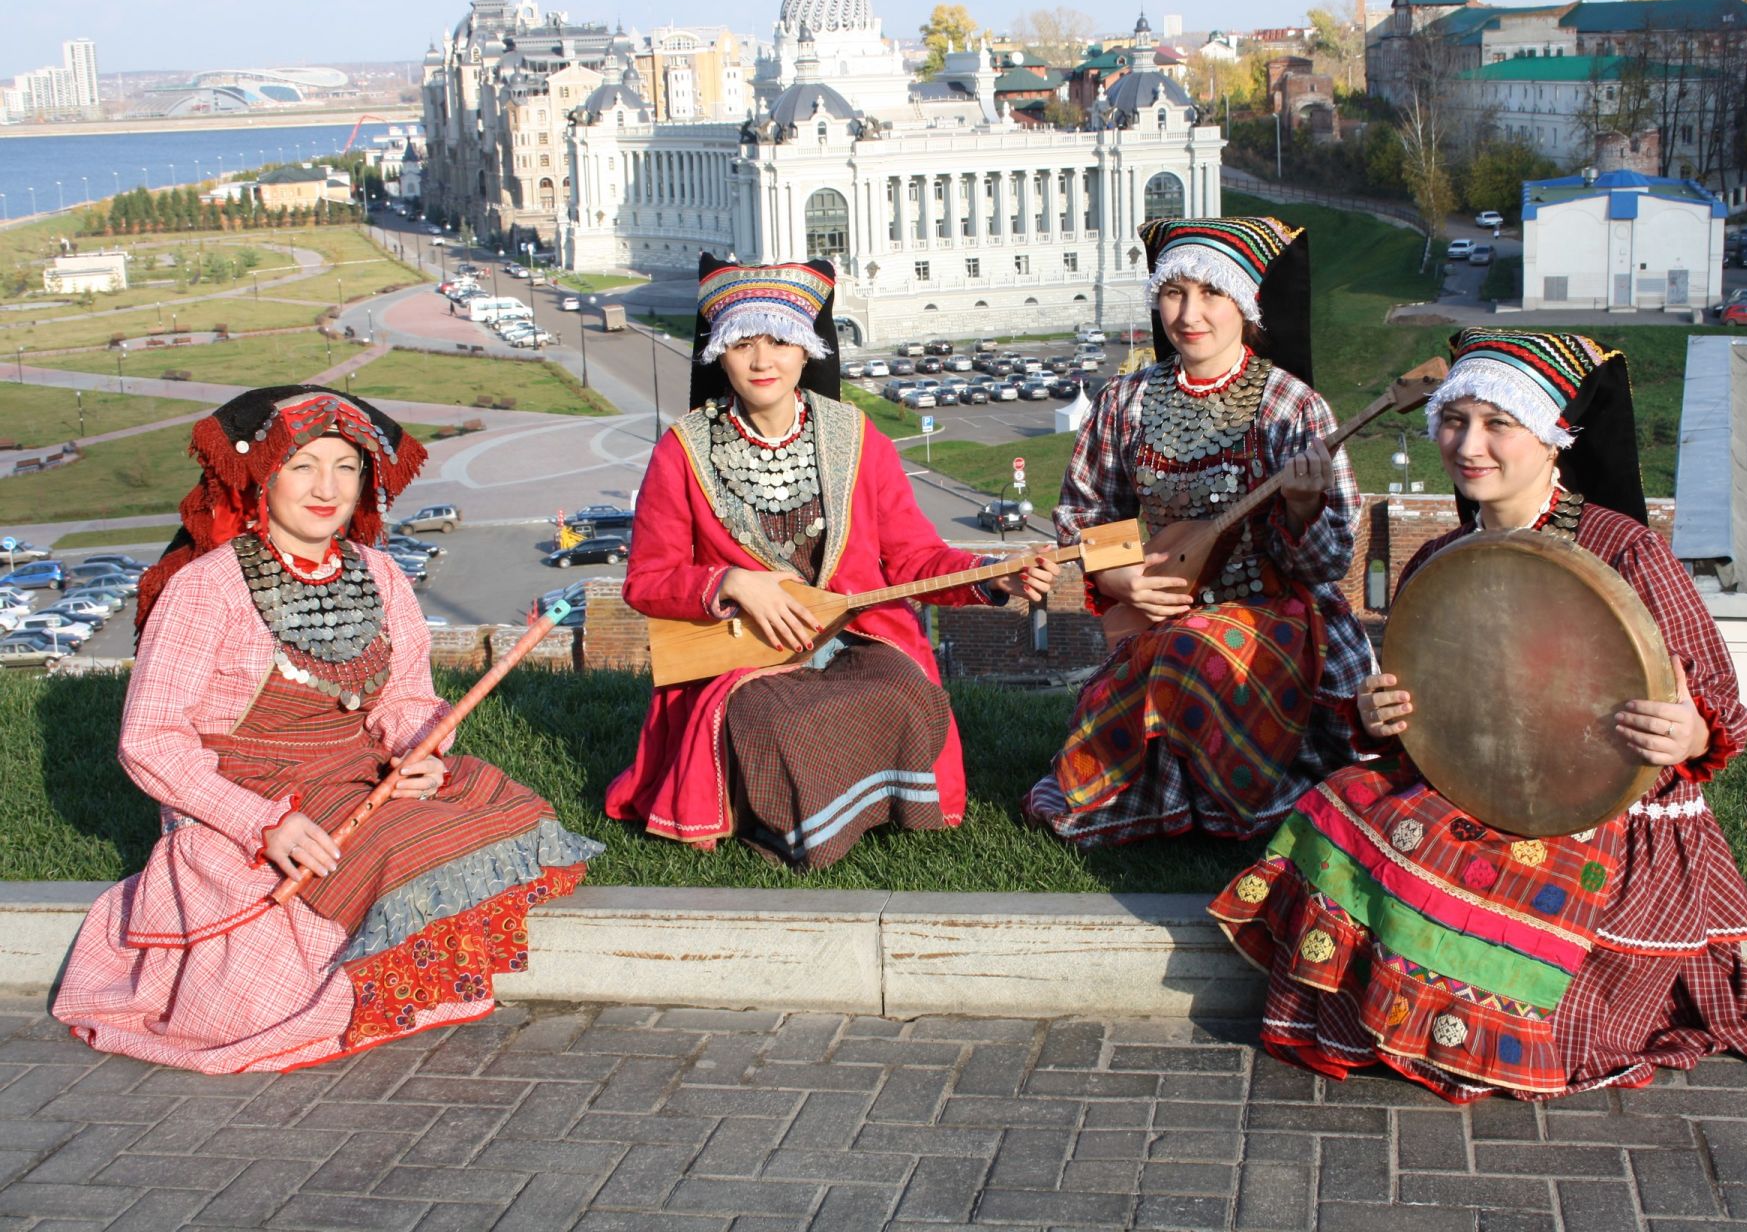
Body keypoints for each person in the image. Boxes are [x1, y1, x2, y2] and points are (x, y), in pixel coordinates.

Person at [1209, 328, 1747, 1101]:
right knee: (1336, 804)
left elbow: (1717, 702)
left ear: (1554, 439)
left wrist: (1694, 731)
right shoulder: (1438, 557)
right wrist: (1380, 715)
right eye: (1453, 421)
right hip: (1475, 786)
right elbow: (1426, 706)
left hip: (1603, 806)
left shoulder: (1627, 552)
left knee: (1487, 883)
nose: (1468, 444)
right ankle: (1391, 1015)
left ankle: (1461, 1027)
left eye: (1496, 424)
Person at [53, 386, 603, 1074]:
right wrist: (262, 825)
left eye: (345, 468)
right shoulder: (208, 587)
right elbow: (151, 740)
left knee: (505, 808)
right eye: (304, 466)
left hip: (357, 768)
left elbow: (406, 695)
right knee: (401, 845)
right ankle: (375, 983)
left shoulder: (379, 574)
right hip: (253, 788)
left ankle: (420, 977)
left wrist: (416, 747)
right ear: (264, 479)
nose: (327, 488)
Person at [605, 257, 1056, 870]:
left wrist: (991, 574)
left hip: (854, 639)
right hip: (746, 656)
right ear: (718, 352)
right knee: (772, 718)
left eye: (781, 341)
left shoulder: (855, 436)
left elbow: (910, 555)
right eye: (742, 342)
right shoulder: (683, 448)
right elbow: (647, 580)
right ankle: (788, 825)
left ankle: (843, 809)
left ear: (807, 349)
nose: (762, 362)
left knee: (904, 694)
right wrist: (733, 582)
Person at [1024, 216, 1371, 847]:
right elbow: (1082, 510)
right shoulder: (1124, 400)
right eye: (1174, 293)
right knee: (1169, 652)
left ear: (1246, 305)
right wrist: (1117, 574)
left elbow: (1331, 561)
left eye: (1211, 294)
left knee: (1186, 654)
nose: (1190, 314)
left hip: (1275, 616)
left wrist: (1299, 511)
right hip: (1156, 608)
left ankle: (1237, 799)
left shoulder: (1292, 407)